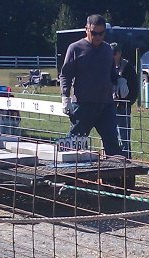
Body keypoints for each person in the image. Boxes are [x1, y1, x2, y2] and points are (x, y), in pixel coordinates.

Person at [60, 14, 122, 156]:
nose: (98, 37)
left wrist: (119, 81)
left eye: (101, 33)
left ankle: (114, 177)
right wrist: (65, 96)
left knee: (113, 143)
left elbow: (112, 72)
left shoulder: (107, 50)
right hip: (83, 105)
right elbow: (66, 74)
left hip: (106, 105)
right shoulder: (75, 48)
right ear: (86, 29)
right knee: (75, 144)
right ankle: (69, 175)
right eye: (94, 33)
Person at [111, 43, 139, 158]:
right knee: (111, 135)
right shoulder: (107, 66)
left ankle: (127, 160)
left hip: (123, 107)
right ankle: (112, 160)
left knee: (124, 136)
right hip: (109, 106)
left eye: (114, 54)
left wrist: (127, 103)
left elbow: (135, 89)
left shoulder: (127, 67)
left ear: (119, 53)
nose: (112, 56)